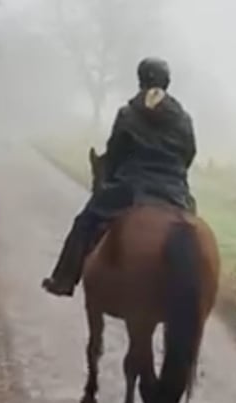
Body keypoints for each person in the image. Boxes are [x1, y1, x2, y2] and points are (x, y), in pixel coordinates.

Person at [41, 57, 197, 297]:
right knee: (193, 234)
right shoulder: (184, 118)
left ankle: (63, 280)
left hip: (131, 189)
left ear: (140, 79)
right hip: (174, 191)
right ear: (168, 82)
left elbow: (115, 153)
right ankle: (194, 294)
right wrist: (174, 176)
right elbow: (189, 154)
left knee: (85, 222)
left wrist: (110, 177)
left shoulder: (127, 114)